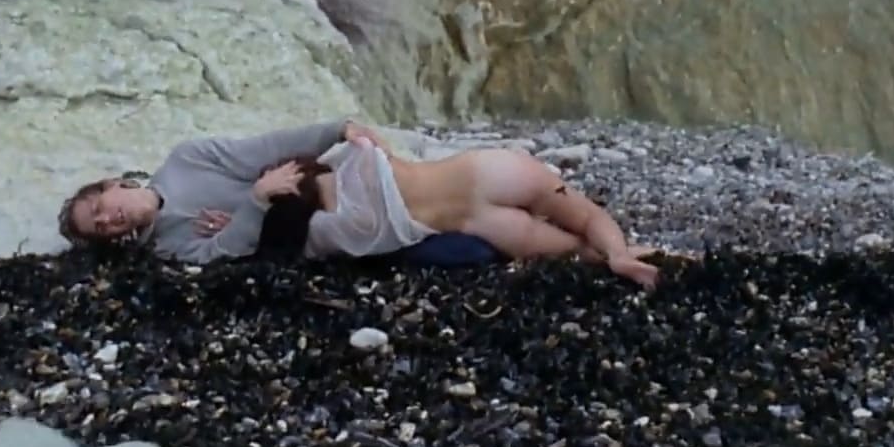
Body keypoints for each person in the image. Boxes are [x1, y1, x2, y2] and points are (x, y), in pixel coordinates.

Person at [228, 130, 665, 289]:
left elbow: (276, 254)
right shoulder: (352, 157)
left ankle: (620, 258)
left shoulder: (336, 226)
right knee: (586, 225)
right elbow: (587, 214)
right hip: (486, 173)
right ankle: (624, 254)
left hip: (479, 222)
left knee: (578, 252)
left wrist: (257, 202)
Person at [58, 117, 371, 264]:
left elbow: (267, 148)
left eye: (98, 208)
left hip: (323, 184)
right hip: (315, 232)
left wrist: (337, 130)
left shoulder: (187, 159)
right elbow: (225, 252)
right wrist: (256, 202)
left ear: (113, 184)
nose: (106, 220)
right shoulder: (167, 248)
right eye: (100, 228)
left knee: (371, 163)